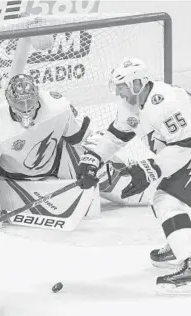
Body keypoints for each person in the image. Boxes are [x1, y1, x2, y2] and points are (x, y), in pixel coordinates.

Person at [77, 56, 191, 295]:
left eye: (122, 88)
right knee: (167, 198)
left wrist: (151, 167)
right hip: (181, 155)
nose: (119, 94)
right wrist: (93, 158)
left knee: (167, 199)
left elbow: (186, 144)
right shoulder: (132, 104)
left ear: (138, 83)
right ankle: (182, 242)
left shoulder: (168, 102)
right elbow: (117, 134)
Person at [0, 73, 99, 229]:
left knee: (95, 149)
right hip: (14, 176)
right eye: (19, 103)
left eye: (29, 101)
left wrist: (91, 164)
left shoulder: (58, 107)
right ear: (9, 100)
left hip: (54, 168)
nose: (25, 108)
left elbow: (83, 136)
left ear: (37, 95)